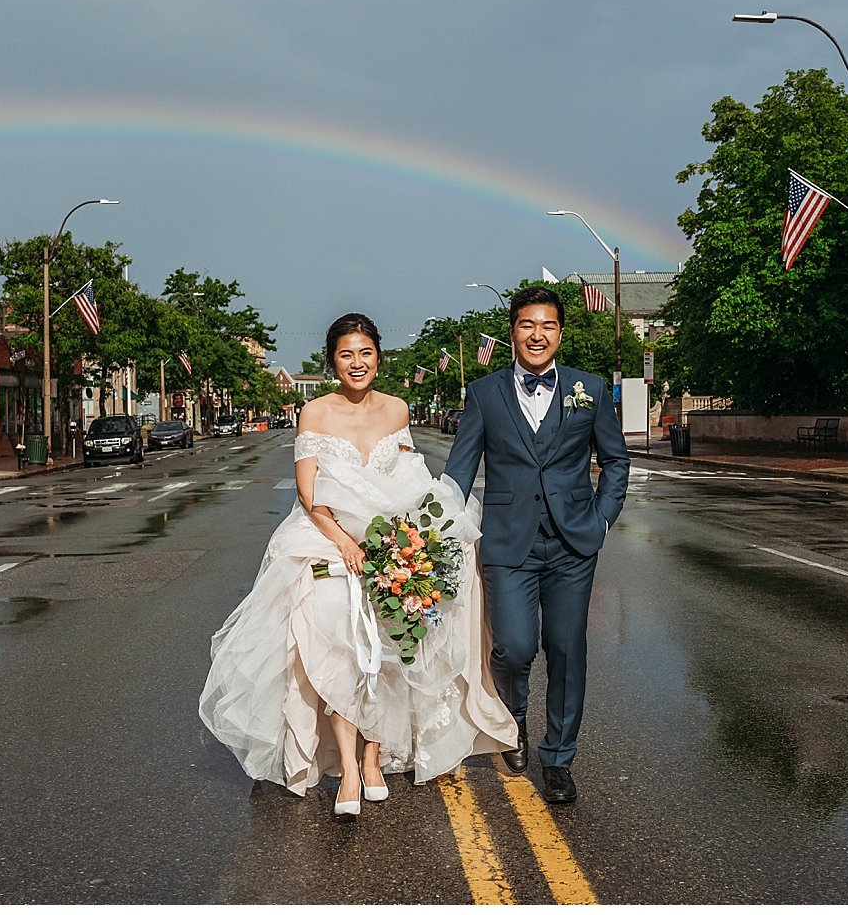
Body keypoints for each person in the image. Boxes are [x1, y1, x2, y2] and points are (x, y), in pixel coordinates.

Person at [199, 313, 515, 817]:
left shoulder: (397, 410)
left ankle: (373, 758)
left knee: (391, 647)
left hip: (391, 543)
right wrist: (346, 543)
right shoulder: (315, 414)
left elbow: (413, 480)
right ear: (332, 363)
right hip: (327, 542)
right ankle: (346, 765)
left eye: (365, 353)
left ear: (378, 358)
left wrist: (415, 539)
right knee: (338, 645)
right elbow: (308, 495)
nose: (357, 363)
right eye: (346, 355)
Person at [444, 286, 629, 804]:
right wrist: (431, 525)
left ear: (560, 333)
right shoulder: (483, 393)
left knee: (568, 652)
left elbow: (616, 461)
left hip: (573, 544)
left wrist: (602, 519)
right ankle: (513, 720)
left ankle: (559, 759)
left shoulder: (589, 389)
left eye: (547, 325)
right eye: (527, 324)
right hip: (508, 544)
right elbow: (460, 469)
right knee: (514, 646)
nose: (537, 334)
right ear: (512, 333)